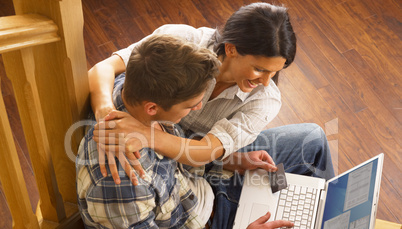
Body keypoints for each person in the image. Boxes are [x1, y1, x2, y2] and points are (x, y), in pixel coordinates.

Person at [77, 35, 306, 229]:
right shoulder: (121, 186)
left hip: (200, 187)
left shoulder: (130, 92)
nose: (199, 108)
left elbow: (176, 161)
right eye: (191, 105)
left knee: (314, 140)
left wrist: (228, 162)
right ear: (152, 108)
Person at [89, 2, 336, 186]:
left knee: (313, 140)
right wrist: (107, 117)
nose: (265, 82)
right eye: (259, 69)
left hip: (193, 150)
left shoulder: (266, 99)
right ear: (231, 49)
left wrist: (145, 134)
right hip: (176, 153)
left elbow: (205, 152)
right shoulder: (183, 41)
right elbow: (103, 68)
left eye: (274, 72)